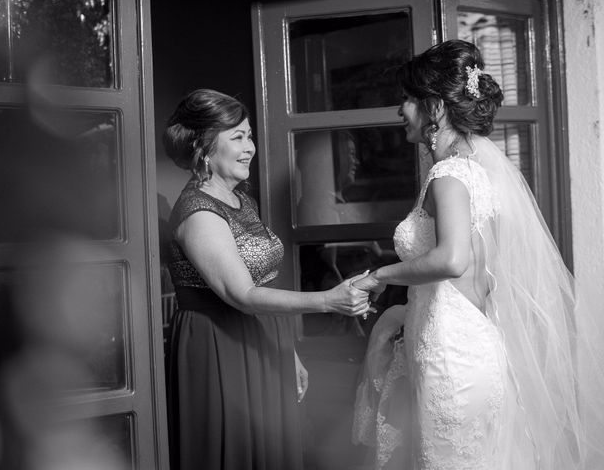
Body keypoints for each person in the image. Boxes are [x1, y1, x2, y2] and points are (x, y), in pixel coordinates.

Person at [351, 40, 604, 470]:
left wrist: (380, 275)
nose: (401, 111)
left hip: (451, 356)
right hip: (463, 343)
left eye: (408, 100)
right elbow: (482, 279)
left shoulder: (449, 174)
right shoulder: (472, 168)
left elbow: (453, 260)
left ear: (433, 107)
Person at [163, 88, 370, 470]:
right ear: (204, 148)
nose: (250, 148)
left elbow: (264, 282)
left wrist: (286, 353)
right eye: (237, 138)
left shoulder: (242, 200)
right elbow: (242, 294)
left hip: (260, 338)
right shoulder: (198, 213)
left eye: (250, 136)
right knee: (236, 452)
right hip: (219, 345)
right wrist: (328, 300)